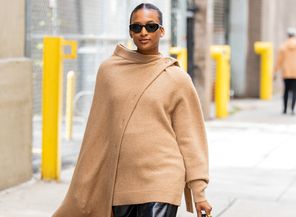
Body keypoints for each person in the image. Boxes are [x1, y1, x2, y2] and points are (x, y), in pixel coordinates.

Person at [53, 3, 212, 217]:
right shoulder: (110, 71)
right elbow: (97, 133)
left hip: (162, 179)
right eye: (136, 27)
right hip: (121, 183)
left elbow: (190, 137)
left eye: (151, 26)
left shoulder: (176, 78)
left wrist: (199, 191)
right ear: (130, 32)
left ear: (162, 31)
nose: (143, 32)